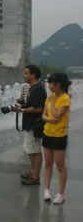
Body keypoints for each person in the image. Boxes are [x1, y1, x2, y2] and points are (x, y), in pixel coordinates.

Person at [15, 65, 47, 186]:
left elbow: (39, 109)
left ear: (33, 75)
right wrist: (22, 105)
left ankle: (35, 177)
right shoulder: (33, 87)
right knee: (30, 150)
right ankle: (33, 172)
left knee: (35, 150)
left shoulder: (37, 89)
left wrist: (22, 110)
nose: (24, 75)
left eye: (26, 73)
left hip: (34, 125)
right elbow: (32, 105)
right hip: (30, 124)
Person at [42, 73, 70, 204]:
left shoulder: (65, 99)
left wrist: (52, 102)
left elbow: (57, 116)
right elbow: (44, 116)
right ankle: (46, 190)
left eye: (51, 83)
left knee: (60, 166)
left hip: (59, 136)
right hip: (47, 133)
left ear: (58, 84)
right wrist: (49, 119)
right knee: (47, 164)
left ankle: (60, 194)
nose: (49, 85)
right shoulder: (49, 97)